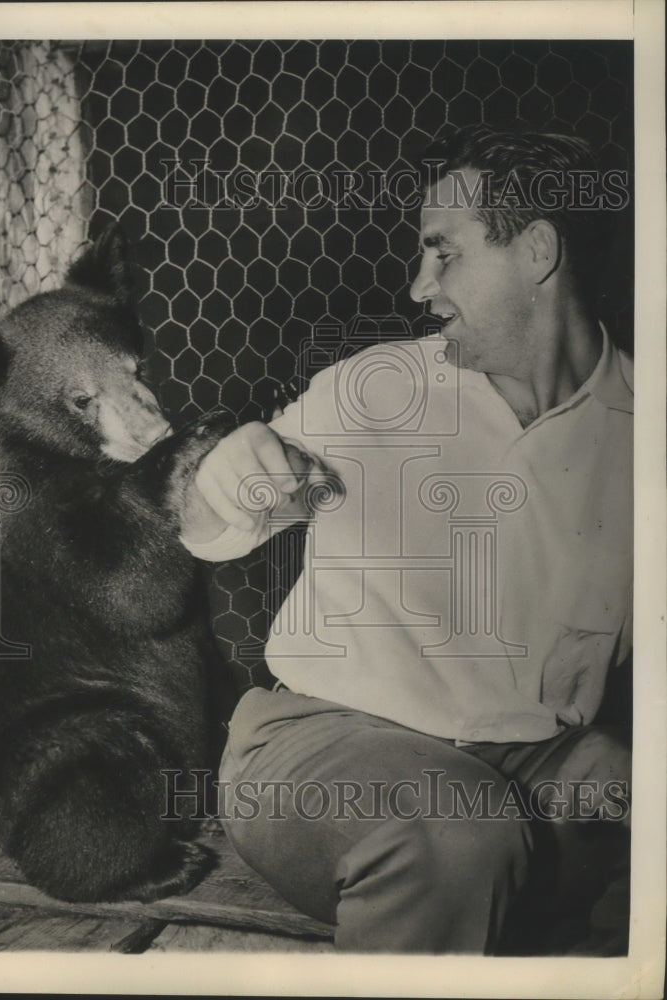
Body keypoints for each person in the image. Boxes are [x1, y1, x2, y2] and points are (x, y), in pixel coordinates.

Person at [179, 126, 633, 954]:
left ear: (535, 250)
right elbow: (213, 532)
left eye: (441, 253)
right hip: (323, 744)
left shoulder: (643, 426)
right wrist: (220, 473)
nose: (419, 286)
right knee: (459, 830)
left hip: (529, 756)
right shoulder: (376, 389)